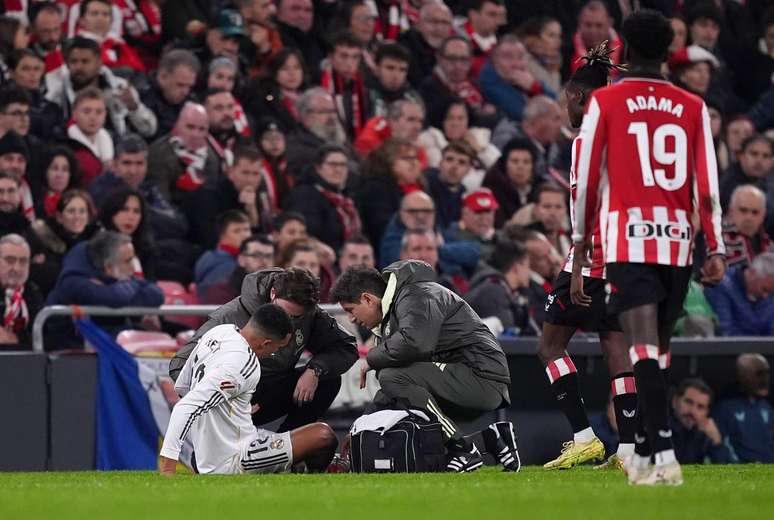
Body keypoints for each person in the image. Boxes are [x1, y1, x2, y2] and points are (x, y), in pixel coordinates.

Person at [572, 10, 726, 485]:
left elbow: (588, 182)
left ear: (625, 47)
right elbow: (708, 182)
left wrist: (580, 241)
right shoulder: (693, 106)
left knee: (642, 349)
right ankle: (642, 452)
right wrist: (715, 246)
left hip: (628, 235)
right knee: (657, 351)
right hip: (678, 239)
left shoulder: (607, 102)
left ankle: (663, 453)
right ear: (668, 52)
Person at [528, 43, 635, 471]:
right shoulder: (626, 136)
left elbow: (584, 204)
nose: (565, 110)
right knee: (617, 347)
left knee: (550, 346)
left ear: (579, 97)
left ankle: (584, 437)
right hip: (627, 258)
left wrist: (578, 261)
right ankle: (628, 450)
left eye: (565, 100)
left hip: (590, 258)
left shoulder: (586, 139)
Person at [331, 262, 516, 473]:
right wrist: (359, 430)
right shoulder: (396, 310)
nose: (351, 319)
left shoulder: (416, 295)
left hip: (482, 379)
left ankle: (463, 449)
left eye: (350, 310)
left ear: (367, 299)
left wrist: (371, 359)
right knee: (395, 391)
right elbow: (391, 391)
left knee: (392, 376)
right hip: (467, 378)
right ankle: (491, 440)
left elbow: (415, 343)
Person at [170, 267, 358, 433]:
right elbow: (180, 365)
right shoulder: (228, 317)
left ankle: (287, 451)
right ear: (273, 294)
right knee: (214, 464)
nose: (289, 321)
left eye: (296, 317)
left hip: (272, 388)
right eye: (285, 313)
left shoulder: (310, 314)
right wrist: (219, 402)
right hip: (229, 397)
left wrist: (315, 369)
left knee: (329, 380)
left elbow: (346, 347)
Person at [159, 303, 338, 475]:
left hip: (216, 448)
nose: (274, 353)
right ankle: (304, 478)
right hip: (235, 456)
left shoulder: (220, 332)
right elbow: (185, 407)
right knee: (323, 435)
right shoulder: (244, 363)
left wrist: (238, 409)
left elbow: (183, 387)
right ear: (265, 343)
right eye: (277, 348)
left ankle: (291, 469)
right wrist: (168, 468)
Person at [45, 231, 164, 347]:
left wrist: (128, 286)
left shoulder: (119, 275)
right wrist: (132, 285)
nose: (133, 268)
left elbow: (157, 295)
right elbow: (113, 298)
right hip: (71, 349)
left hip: (110, 338)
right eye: (127, 261)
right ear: (108, 267)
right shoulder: (73, 282)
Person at [45, 36, 157, 138]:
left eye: (85, 61)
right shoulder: (57, 94)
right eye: (74, 62)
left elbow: (149, 129)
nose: (78, 67)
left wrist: (134, 108)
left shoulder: (120, 88)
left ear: (99, 62)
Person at [284, 144, 361, 252]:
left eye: (343, 165)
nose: (338, 169)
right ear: (318, 167)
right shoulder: (305, 195)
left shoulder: (347, 197)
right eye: (332, 164)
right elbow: (308, 233)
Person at [418, 98, 500, 193]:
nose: (455, 123)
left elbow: (502, 167)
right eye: (450, 118)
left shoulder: (478, 138)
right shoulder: (431, 142)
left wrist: (479, 150)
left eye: (460, 118)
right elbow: (449, 177)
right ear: (441, 120)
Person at [26, 189, 99, 296]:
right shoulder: (40, 240)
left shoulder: (97, 243)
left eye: (82, 211)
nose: (77, 217)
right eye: (71, 211)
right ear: (59, 217)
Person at [146, 102, 221, 205]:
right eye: (190, 127)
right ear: (177, 125)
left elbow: (210, 200)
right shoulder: (159, 154)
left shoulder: (211, 158)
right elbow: (160, 201)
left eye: (201, 129)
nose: (195, 134)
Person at [713, 354, 774, 463]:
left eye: (767, 373)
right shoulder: (725, 410)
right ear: (743, 377)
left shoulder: (767, 408)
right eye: (759, 374)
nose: (765, 379)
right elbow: (722, 449)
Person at [466, 237, 532, 337]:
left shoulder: (507, 290)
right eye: (528, 266)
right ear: (516, 267)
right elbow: (508, 338)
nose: (529, 273)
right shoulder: (493, 292)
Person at [705, 252, 774, 336]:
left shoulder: (769, 295)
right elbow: (724, 333)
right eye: (764, 289)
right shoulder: (721, 285)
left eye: (771, 293)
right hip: (730, 347)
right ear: (752, 273)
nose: (765, 296)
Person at [140, 49, 201, 141]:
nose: (185, 92)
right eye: (180, 85)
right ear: (162, 77)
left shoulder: (191, 103)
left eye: (189, 86)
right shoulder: (142, 99)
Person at [669, 378, 732, 464]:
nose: (693, 411)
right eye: (688, 402)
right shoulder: (660, 431)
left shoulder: (705, 435)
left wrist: (717, 442)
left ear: (707, 412)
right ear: (675, 401)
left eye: (700, 407)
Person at [483, 137, 542, 227]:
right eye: (515, 161)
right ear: (505, 164)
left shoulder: (541, 189)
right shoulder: (491, 189)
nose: (520, 167)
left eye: (526, 162)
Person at [202, 235, 275, 305]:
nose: (264, 261)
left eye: (268, 256)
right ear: (241, 259)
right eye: (256, 255)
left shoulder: (279, 289)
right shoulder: (222, 291)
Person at [194, 210, 252, 299]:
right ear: (222, 235)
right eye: (237, 231)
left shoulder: (207, 256)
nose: (245, 235)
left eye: (246, 229)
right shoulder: (226, 266)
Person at [0, 234, 43, 350]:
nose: (17, 268)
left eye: (23, 261)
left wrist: (17, 339)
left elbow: (48, 337)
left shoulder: (34, 293)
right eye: (10, 260)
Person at [65, 86, 114, 186]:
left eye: (99, 112)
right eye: (87, 111)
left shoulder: (112, 143)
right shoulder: (65, 145)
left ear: (105, 115)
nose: (93, 117)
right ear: (74, 114)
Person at [423, 141, 476, 230]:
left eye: (462, 162)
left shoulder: (464, 194)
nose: (454, 166)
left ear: (469, 169)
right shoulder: (424, 185)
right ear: (440, 163)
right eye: (449, 159)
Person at [722, 185, 772, 269]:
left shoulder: (768, 245)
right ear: (731, 211)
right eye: (743, 210)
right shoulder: (716, 241)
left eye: (755, 212)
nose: (749, 218)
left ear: (763, 215)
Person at [366, 42, 419, 119]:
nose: (396, 76)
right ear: (376, 69)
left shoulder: (413, 99)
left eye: (402, 70)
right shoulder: (364, 97)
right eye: (390, 68)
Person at [455, 0, 507, 79]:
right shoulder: (452, 36)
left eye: (500, 16)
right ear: (473, 15)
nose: (498, 21)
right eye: (492, 15)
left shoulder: (504, 46)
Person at [446, 189, 498, 261]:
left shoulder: (499, 237)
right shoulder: (451, 237)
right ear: (464, 213)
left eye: (488, 212)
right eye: (478, 212)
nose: (484, 218)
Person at [0, 172, 29, 237]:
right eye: (0, 192)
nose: (5, 198)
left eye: (11, 191)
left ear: (20, 194)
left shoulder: (30, 228)